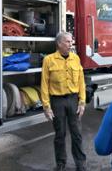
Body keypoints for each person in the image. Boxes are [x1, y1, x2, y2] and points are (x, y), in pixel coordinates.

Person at [41, 32, 86, 171]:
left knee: (77, 134)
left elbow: (81, 82)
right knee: (60, 135)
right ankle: (61, 164)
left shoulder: (75, 58)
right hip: (57, 101)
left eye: (71, 41)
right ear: (59, 43)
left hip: (73, 100)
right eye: (67, 41)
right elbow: (44, 84)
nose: (70, 44)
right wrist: (46, 106)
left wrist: (82, 102)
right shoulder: (49, 60)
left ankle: (80, 164)